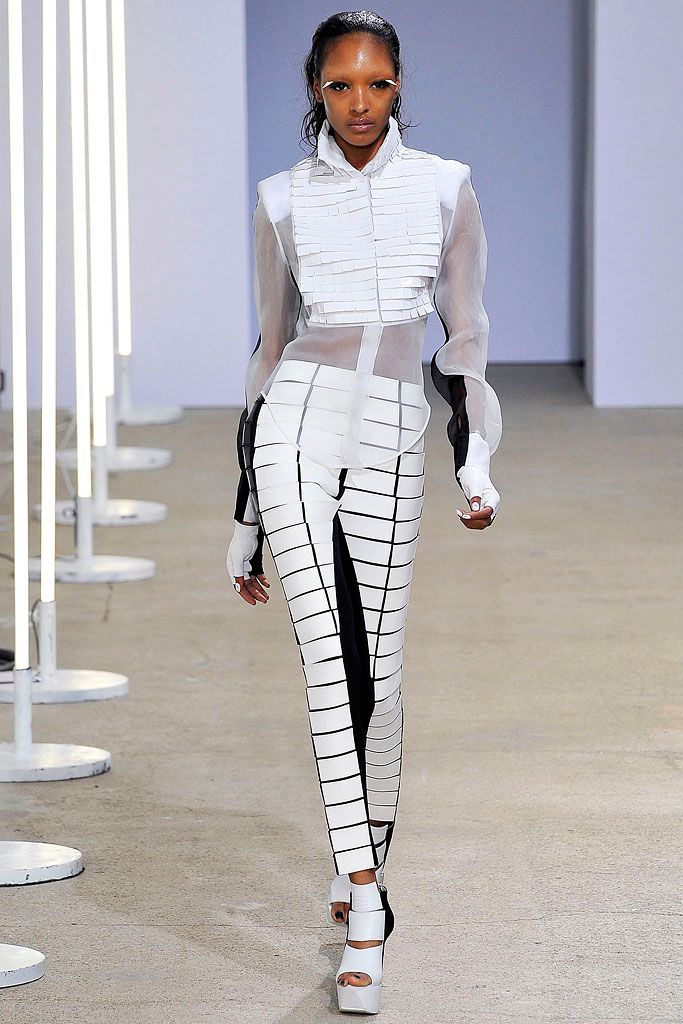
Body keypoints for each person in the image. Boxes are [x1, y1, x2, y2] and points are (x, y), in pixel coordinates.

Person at [226, 10, 502, 1015]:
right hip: (295, 424)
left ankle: (362, 867)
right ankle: (366, 903)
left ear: (397, 87)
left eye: (375, 84)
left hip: (389, 427)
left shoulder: (444, 188)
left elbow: (463, 339)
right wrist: (246, 512)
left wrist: (475, 459)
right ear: (314, 86)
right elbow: (268, 349)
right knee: (320, 653)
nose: (357, 103)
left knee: (373, 669)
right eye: (339, 85)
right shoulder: (281, 198)